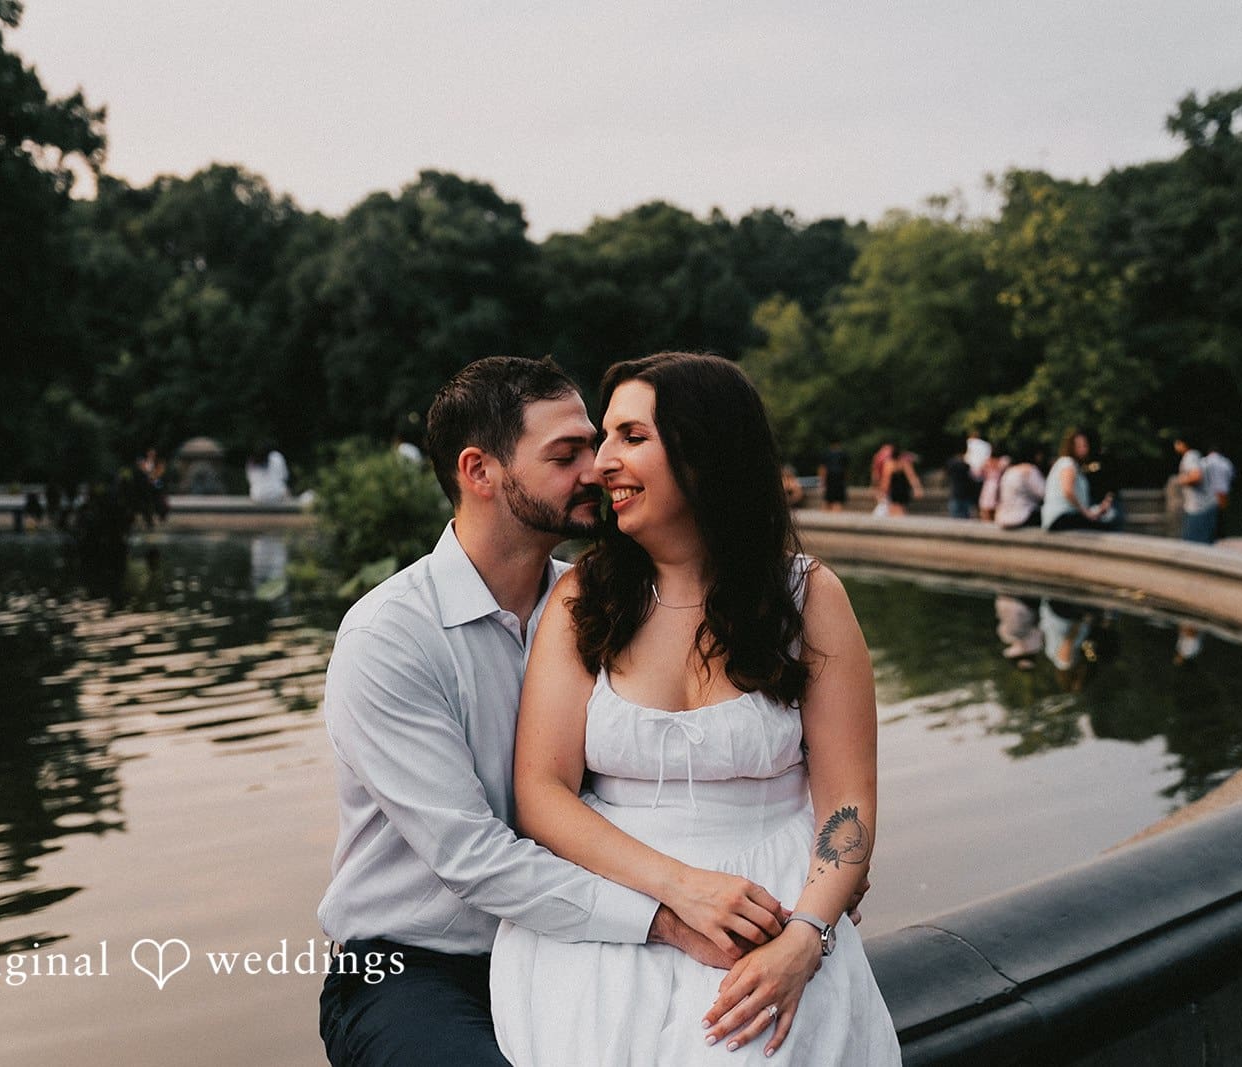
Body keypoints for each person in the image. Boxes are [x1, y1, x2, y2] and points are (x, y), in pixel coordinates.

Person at [317, 357, 770, 1067]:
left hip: (579, 942)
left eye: (597, 445)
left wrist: (804, 883)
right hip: (420, 966)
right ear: (480, 471)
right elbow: (473, 858)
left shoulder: (606, 605)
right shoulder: (390, 637)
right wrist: (667, 919)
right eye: (567, 455)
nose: (599, 468)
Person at [491, 353, 900, 1065]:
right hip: (616, 903)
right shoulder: (584, 600)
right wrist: (679, 890)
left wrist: (808, 935)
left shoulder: (808, 597)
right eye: (602, 440)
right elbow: (540, 790)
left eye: (630, 436)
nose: (601, 465)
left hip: (773, 913)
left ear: (704, 451)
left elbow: (848, 806)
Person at [1042, 429, 1113, 531]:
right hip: (1060, 517)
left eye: (1085, 445)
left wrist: (1097, 510)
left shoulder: (1073, 465)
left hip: (1064, 516)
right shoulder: (1068, 463)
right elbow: (1068, 491)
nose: (1084, 449)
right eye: (1079, 446)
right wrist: (1086, 513)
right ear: (1071, 447)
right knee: (1107, 525)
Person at [1174, 435, 1217, 545]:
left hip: (1198, 508)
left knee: (1192, 546)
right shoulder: (1197, 455)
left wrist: (1181, 480)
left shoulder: (1190, 456)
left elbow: (1196, 476)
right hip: (1206, 505)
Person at [994, 443, 1046, 530]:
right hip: (1022, 516)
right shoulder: (1030, 469)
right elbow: (1044, 493)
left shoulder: (1009, 471)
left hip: (1003, 517)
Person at [877, 446, 922, 516]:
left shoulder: (889, 464)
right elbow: (912, 477)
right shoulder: (904, 463)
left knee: (894, 511)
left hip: (895, 491)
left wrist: (882, 492)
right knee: (902, 510)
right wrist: (917, 488)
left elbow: (886, 481)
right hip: (904, 490)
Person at [818, 440, 849, 512]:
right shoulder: (843, 454)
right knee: (838, 501)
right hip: (839, 478)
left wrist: (822, 480)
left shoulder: (827, 454)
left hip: (830, 477)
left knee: (827, 500)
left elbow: (822, 468)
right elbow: (846, 470)